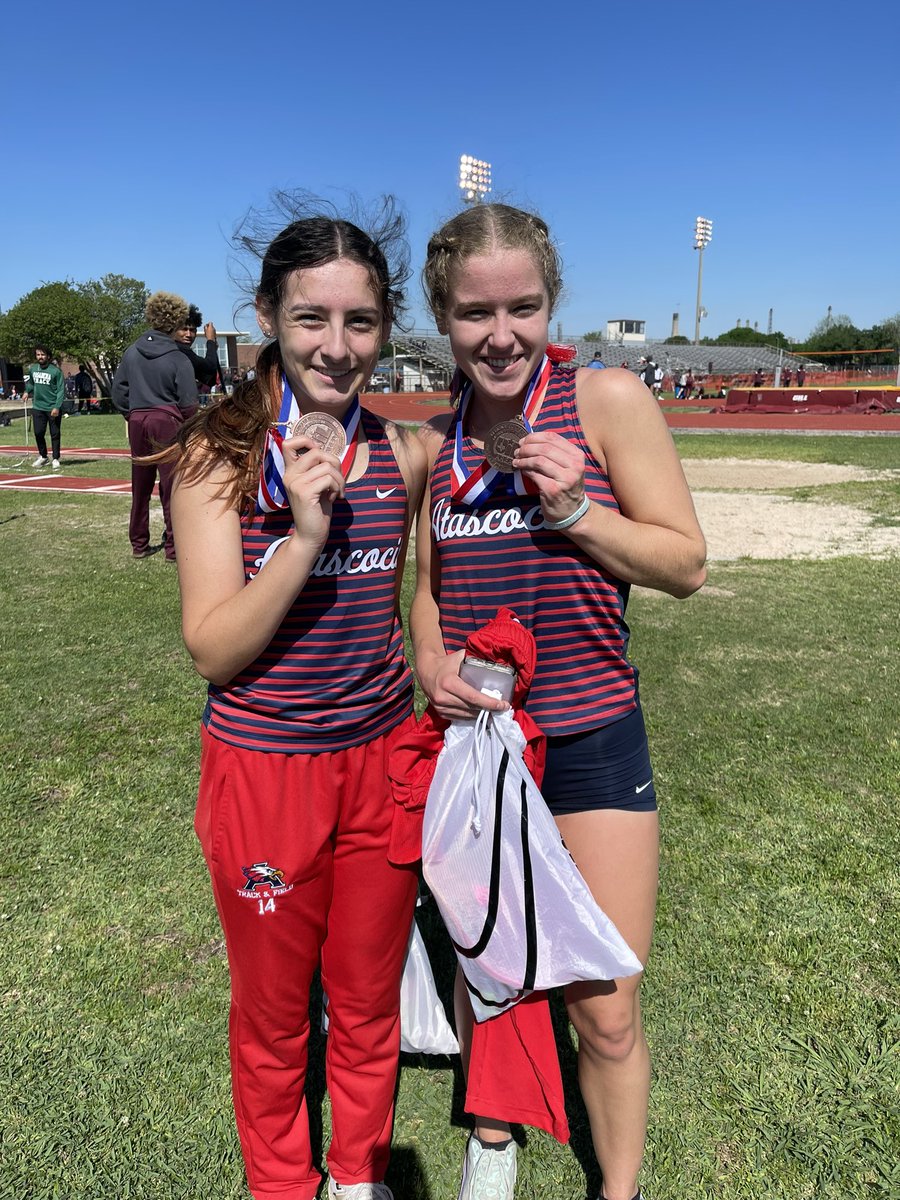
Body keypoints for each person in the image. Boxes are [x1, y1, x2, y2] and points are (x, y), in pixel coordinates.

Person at [411, 203, 707, 1200]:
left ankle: (615, 1192)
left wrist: (578, 510)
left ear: (551, 303)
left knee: (606, 1006)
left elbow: (686, 565)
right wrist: (430, 665)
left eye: (523, 307)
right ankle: (491, 1142)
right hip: (479, 748)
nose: (500, 333)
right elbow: (424, 589)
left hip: (587, 742)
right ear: (441, 316)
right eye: (473, 312)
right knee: (492, 971)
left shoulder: (608, 401)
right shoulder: (435, 437)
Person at [167, 202, 426, 1200]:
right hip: (264, 773)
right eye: (312, 317)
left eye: (360, 322)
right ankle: (283, 1183)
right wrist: (306, 540)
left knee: (366, 1003)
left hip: (381, 771)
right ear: (271, 315)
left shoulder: (403, 456)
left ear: (385, 330)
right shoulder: (214, 458)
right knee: (275, 1015)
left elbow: (424, 599)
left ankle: (357, 1177)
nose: (337, 344)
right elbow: (213, 650)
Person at [112, 292, 199, 559]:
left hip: (138, 419)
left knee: (140, 485)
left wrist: (132, 414)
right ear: (175, 321)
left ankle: (139, 544)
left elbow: (118, 391)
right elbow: (188, 403)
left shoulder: (131, 352)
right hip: (167, 422)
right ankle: (173, 548)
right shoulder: (179, 357)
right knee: (171, 486)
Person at [24, 343, 65, 469]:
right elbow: (31, 383)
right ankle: (43, 456)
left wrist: (57, 406)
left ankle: (56, 458)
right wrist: (26, 391)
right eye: (38, 354)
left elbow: (60, 390)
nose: (40, 357)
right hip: (38, 407)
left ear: (48, 356)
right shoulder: (33, 369)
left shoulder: (55, 371)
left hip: (52, 407)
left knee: (55, 434)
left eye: (42, 354)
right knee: (38, 433)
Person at [173, 304, 221, 390]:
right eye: (184, 329)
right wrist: (211, 341)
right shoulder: (178, 350)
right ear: (174, 330)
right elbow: (210, 368)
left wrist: (212, 348)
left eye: (192, 330)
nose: (188, 334)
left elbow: (209, 379)